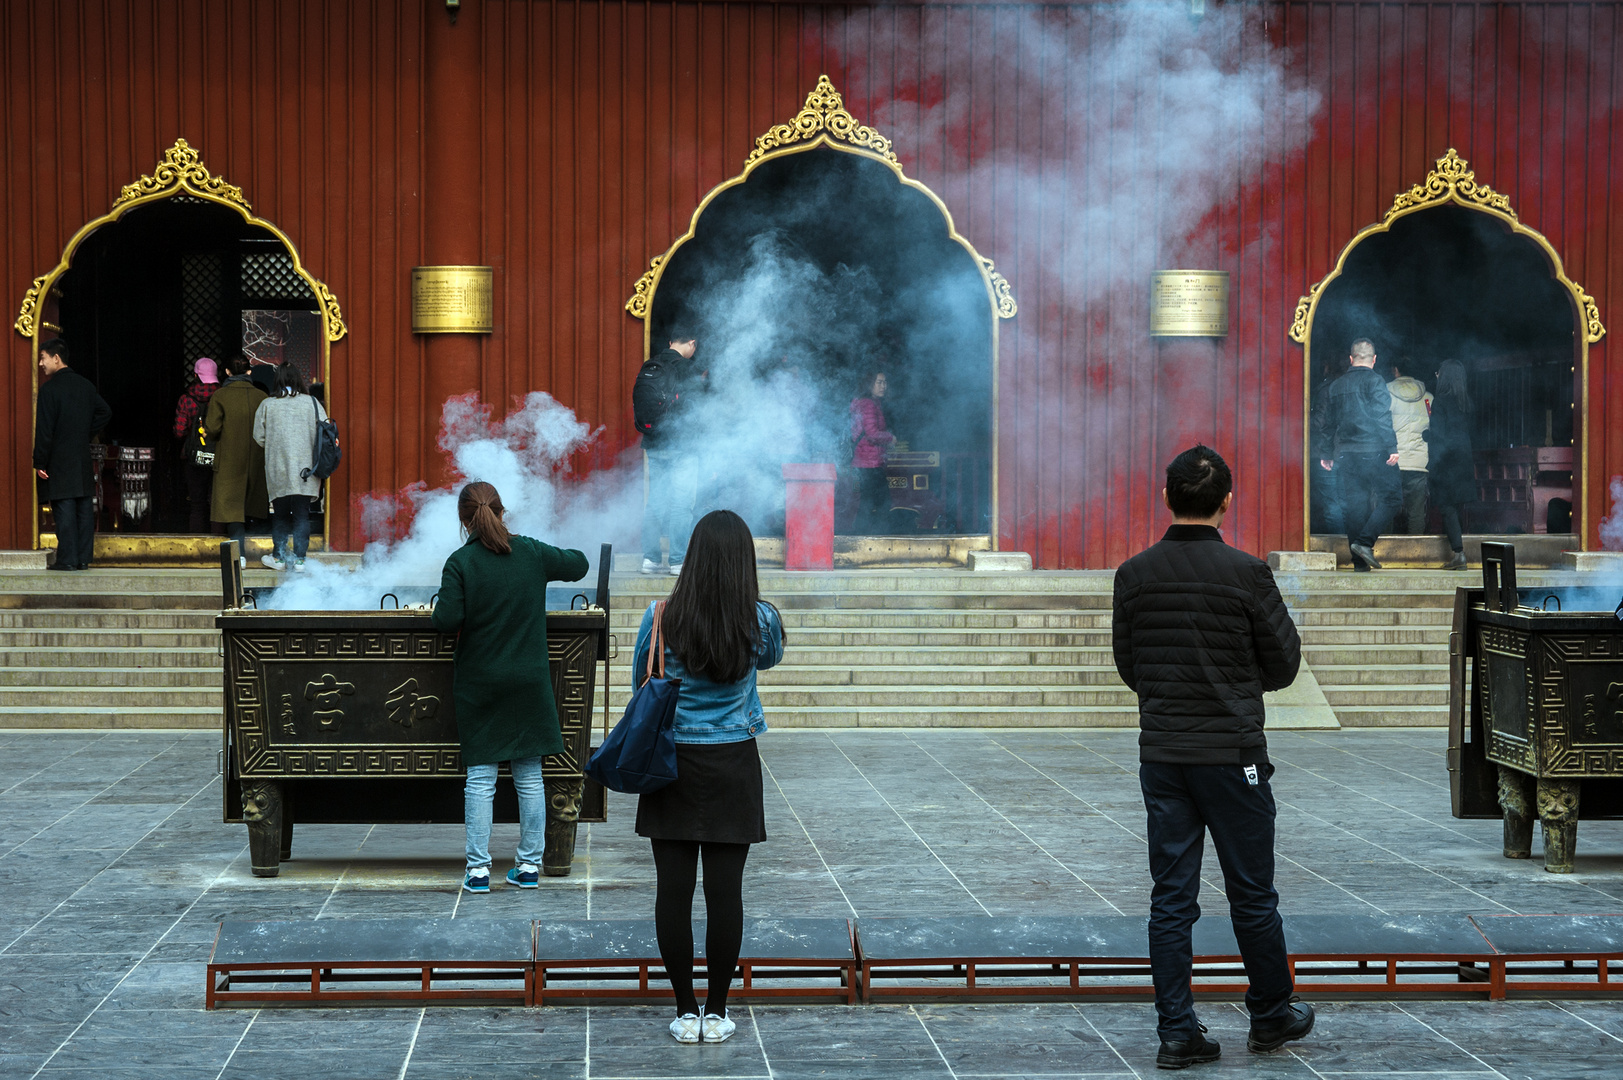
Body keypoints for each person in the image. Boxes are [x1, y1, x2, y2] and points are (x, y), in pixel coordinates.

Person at [1112, 445, 1314, 1070]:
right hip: (1233, 755)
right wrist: (1234, 678)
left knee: (1171, 896)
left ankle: (1177, 1031)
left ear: (1166, 496)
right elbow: (1284, 665)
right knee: (1252, 891)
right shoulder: (1247, 572)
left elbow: (1130, 668)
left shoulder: (1134, 573)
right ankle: (1271, 1012)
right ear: (1227, 501)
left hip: (1165, 754)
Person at [631, 509, 785, 1045]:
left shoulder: (661, 615)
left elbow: (641, 684)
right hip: (733, 764)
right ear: (744, 561)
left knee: (672, 893)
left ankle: (683, 1009)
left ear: (692, 557)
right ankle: (717, 1012)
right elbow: (770, 660)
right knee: (726, 894)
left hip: (671, 765)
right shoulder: (759, 619)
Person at [431, 481, 590, 889]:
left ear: (464, 521)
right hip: (529, 682)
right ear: (502, 513)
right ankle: (529, 866)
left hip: (480, 684)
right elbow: (579, 564)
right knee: (530, 777)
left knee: (481, 780)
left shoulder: (460, 563)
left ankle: (479, 870)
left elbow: (446, 619)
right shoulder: (532, 552)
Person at [1317, 338, 1400, 571]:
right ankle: (1364, 543)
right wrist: (1392, 447)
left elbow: (1327, 424)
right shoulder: (1376, 382)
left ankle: (1359, 564)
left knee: (1355, 507)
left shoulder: (1336, 386)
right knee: (1393, 498)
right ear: (1374, 359)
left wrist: (1327, 453)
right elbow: (1382, 417)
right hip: (1374, 451)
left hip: (1346, 454)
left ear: (1351, 359)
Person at [32, 339, 111, 572]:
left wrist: (39, 461)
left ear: (56, 358)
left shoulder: (50, 389)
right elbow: (105, 412)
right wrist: (85, 431)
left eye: (43, 357)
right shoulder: (85, 386)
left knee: (64, 506)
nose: (40, 363)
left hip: (59, 456)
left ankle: (67, 559)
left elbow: (44, 430)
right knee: (84, 504)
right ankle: (83, 558)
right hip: (80, 454)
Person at [635, 329, 700, 575]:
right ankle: (677, 561)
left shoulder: (650, 366)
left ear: (670, 342)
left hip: (654, 445)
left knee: (655, 502)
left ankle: (650, 559)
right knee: (682, 505)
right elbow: (698, 412)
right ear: (692, 343)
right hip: (683, 447)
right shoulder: (688, 369)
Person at [252, 362, 328, 571]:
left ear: (278, 381)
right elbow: (325, 433)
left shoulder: (268, 405)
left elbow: (258, 437)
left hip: (279, 468)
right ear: (298, 379)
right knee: (302, 514)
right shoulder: (312, 403)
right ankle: (300, 560)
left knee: (280, 514)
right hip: (307, 469)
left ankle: (279, 558)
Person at [205, 355, 269, 565]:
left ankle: (238, 555)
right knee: (252, 503)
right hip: (257, 457)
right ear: (249, 372)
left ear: (227, 372)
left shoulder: (221, 396)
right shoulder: (262, 397)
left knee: (233, 508)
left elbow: (212, 428)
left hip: (230, 458)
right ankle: (260, 552)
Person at [1427, 360, 1475, 570]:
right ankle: (1459, 551)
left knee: (1446, 507)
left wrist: (1426, 434)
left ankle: (1458, 553)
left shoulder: (1441, 401)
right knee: (1455, 506)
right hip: (1463, 460)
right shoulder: (1466, 403)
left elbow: (1438, 435)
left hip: (1446, 461)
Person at [173, 357, 220, 533]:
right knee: (216, 502)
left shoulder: (186, 399)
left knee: (197, 504)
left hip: (193, 456)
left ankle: (198, 544)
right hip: (219, 455)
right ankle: (219, 545)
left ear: (195, 375)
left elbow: (179, 431)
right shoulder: (222, 396)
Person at [1387, 359, 1433, 533]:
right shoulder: (1428, 398)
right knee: (1416, 513)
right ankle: (1417, 551)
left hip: (1392, 461)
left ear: (1396, 369)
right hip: (1418, 462)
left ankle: (1384, 551)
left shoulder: (1385, 394)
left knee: (1386, 509)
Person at [849, 371, 897, 534]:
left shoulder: (868, 403)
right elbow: (872, 433)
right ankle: (875, 535)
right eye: (879, 382)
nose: (883, 386)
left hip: (867, 461)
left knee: (869, 502)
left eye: (884, 382)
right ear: (869, 384)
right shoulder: (868, 404)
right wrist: (890, 438)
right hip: (869, 462)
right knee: (881, 501)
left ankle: (864, 536)